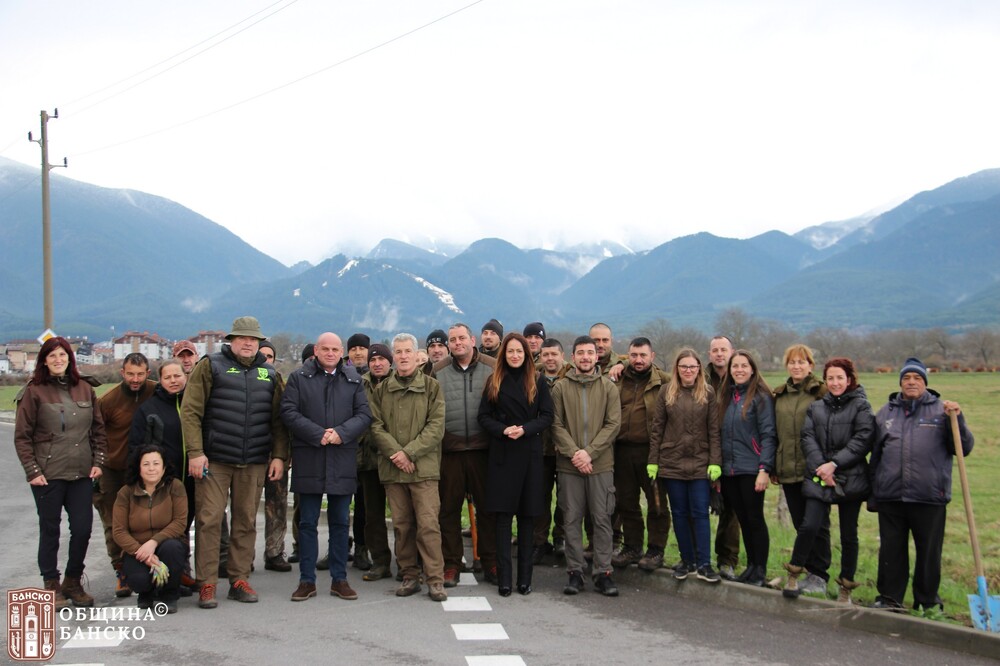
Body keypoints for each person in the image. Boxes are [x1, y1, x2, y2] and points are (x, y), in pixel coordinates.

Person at [181, 316, 289, 609]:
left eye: (252, 339)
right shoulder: (210, 366)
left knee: (245, 521)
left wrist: (279, 456)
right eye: (242, 338)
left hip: (254, 460)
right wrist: (195, 452)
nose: (247, 343)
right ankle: (207, 584)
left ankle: (239, 579)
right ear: (231, 340)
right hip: (214, 460)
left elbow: (279, 421)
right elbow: (190, 411)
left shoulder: (269, 373)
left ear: (259, 343)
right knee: (209, 519)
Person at [870, 357, 974, 613]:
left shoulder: (942, 410)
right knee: (891, 551)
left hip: (929, 496)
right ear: (900, 383)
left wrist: (957, 420)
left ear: (925, 382)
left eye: (917, 378)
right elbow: (875, 455)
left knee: (928, 552)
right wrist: (873, 493)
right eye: (906, 378)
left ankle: (927, 601)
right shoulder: (886, 412)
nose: (911, 382)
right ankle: (890, 598)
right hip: (891, 496)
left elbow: (964, 448)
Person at [15, 337, 107, 608]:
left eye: (62, 355)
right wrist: (32, 471)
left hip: (81, 473)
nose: (58, 360)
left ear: (70, 359)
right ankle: (51, 585)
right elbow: (22, 437)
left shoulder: (85, 389)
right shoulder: (34, 392)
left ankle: (73, 581)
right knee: (50, 529)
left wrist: (98, 461)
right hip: (47, 474)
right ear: (44, 360)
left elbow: (98, 430)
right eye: (52, 356)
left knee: (82, 529)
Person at [281, 332, 372, 602]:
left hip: (341, 458)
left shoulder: (353, 380)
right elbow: (288, 411)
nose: (330, 353)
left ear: (341, 351)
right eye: (326, 349)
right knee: (307, 522)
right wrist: (316, 433)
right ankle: (306, 580)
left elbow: (364, 415)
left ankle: (339, 579)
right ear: (317, 351)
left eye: (335, 349)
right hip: (309, 457)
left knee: (340, 523)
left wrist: (340, 433)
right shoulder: (299, 378)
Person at [783, 357, 874, 603]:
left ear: (850, 379)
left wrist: (835, 465)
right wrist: (822, 468)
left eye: (840, 378)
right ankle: (795, 572)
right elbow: (807, 437)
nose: (835, 383)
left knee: (848, 534)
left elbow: (862, 439)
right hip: (819, 474)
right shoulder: (817, 407)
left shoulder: (862, 406)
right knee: (809, 525)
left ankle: (846, 586)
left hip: (850, 478)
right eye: (831, 378)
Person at [370, 333, 448, 602]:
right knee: (402, 526)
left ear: (417, 355)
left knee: (428, 525)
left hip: (423, 469)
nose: (403, 356)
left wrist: (409, 453)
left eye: (407, 351)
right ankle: (409, 575)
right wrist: (396, 454)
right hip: (394, 470)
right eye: (398, 351)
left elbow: (436, 427)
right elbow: (375, 426)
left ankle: (435, 579)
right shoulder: (381, 390)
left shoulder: (431, 387)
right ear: (394, 356)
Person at [478, 333, 554, 596]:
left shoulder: (538, 381)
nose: (514, 356)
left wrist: (525, 429)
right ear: (504, 354)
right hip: (502, 456)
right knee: (502, 519)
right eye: (510, 351)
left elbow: (547, 416)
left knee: (526, 519)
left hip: (530, 455)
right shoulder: (494, 381)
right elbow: (483, 417)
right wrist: (502, 430)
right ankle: (505, 580)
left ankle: (525, 579)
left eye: (519, 352)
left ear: (526, 355)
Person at [551, 335, 621, 597]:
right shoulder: (560, 388)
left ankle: (603, 572)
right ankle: (575, 572)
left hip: (600, 465)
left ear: (597, 356)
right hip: (569, 466)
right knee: (571, 519)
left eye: (590, 353)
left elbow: (613, 424)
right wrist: (575, 454)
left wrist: (589, 453)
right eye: (580, 353)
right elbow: (556, 425)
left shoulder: (608, 388)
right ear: (573, 357)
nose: (585, 358)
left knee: (602, 519)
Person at [647, 348, 721, 583]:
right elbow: (657, 428)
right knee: (679, 513)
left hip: (700, 462)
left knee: (700, 513)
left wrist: (715, 462)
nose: (688, 370)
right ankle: (686, 560)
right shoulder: (666, 392)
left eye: (692, 366)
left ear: (699, 368)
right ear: (677, 369)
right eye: (683, 367)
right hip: (672, 461)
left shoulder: (708, 393)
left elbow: (714, 431)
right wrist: (653, 461)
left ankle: (704, 564)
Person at [433, 323, 497, 587]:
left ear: (472, 340)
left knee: (488, 509)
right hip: (451, 451)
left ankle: (491, 561)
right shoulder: (437, 370)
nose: (457, 343)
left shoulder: (493, 367)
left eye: (462, 338)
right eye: (452, 339)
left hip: (484, 451)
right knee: (448, 510)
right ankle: (452, 563)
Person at [127, 360, 197, 590]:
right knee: (166, 528)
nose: (174, 381)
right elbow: (137, 446)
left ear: (185, 376)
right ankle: (160, 575)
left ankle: (181, 572)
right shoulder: (149, 409)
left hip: (194, 477)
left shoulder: (195, 402)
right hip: (165, 481)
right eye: (168, 377)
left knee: (185, 526)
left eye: (177, 376)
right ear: (160, 380)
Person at [95, 352, 157, 597]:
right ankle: (120, 571)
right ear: (122, 373)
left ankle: (149, 570)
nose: (135, 379)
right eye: (130, 374)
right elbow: (96, 436)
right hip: (113, 468)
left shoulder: (156, 390)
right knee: (114, 523)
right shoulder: (108, 401)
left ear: (147, 374)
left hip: (146, 470)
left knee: (146, 522)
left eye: (140, 374)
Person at [771, 344, 830, 595]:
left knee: (816, 524)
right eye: (792, 362)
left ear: (811, 365)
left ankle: (820, 575)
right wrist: (773, 465)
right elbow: (775, 433)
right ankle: (808, 572)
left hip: (814, 468)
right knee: (799, 522)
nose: (797, 366)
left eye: (801, 362)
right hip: (787, 467)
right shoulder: (780, 395)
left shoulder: (821, 393)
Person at [717, 350, 776, 587]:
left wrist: (765, 468)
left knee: (755, 519)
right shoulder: (727, 397)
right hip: (730, 470)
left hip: (752, 469)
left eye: (744, 366)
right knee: (742, 519)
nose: (739, 370)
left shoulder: (761, 397)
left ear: (752, 369)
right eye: (735, 366)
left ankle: (760, 569)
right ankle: (750, 567)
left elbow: (769, 434)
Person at [611, 337, 671, 572]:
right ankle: (632, 547)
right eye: (634, 355)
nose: (638, 360)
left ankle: (656, 549)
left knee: (656, 503)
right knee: (626, 502)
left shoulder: (665, 382)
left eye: (643, 355)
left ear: (652, 356)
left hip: (652, 452)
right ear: (628, 356)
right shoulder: (617, 379)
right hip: (622, 450)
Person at [112, 445, 188, 613]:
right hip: (137, 550)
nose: (151, 468)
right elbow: (118, 531)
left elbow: (180, 522)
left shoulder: (175, 486)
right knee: (139, 580)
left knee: (172, 549)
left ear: (164, 467)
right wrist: (141, 551)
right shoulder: (125, 493)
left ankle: (170, 594)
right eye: (146, 464)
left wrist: (153, 542)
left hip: (167, 544)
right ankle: (146, 592)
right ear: (138, 468)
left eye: (156, 463)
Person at [256, 340, 293, 573]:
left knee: (277, 504)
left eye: (270, 356)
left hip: (275, 450)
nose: (265, 360)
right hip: (250, 451)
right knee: (246, 508)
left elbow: (283, 419)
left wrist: (282, 454)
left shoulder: (276, 380)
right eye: (262, 355)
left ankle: (275, 551)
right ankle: (240, 555)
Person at [358, 343, 395, 582]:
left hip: (394, 458)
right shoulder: (358, 384)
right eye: (373, 360)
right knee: (373, 516)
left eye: (382, 359)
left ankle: (408, 561)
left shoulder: (400, 381)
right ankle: (380, 561)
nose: (377, 363)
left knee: (403, 515)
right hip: (367, 460)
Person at [705, 335, 740, 580]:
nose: (719, 354)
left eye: (723, 350)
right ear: (709, 354)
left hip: (734, 455)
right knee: (698, 508)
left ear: (732, 352)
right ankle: (697, 557)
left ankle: (727, 561)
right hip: (702, 452)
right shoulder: (699, 377)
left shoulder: (742, 377)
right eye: (715, 350)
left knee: (731, 511)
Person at [532, 338, 569, 562]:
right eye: (546, 355)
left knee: (566, 498)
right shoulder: (533, 377)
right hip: (540, 447)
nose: (550, 359)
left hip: (565, 449)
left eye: (554, 354)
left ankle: (561, 539)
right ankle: (539, 541)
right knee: (540, 497)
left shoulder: (573, 376)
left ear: (562, 356)